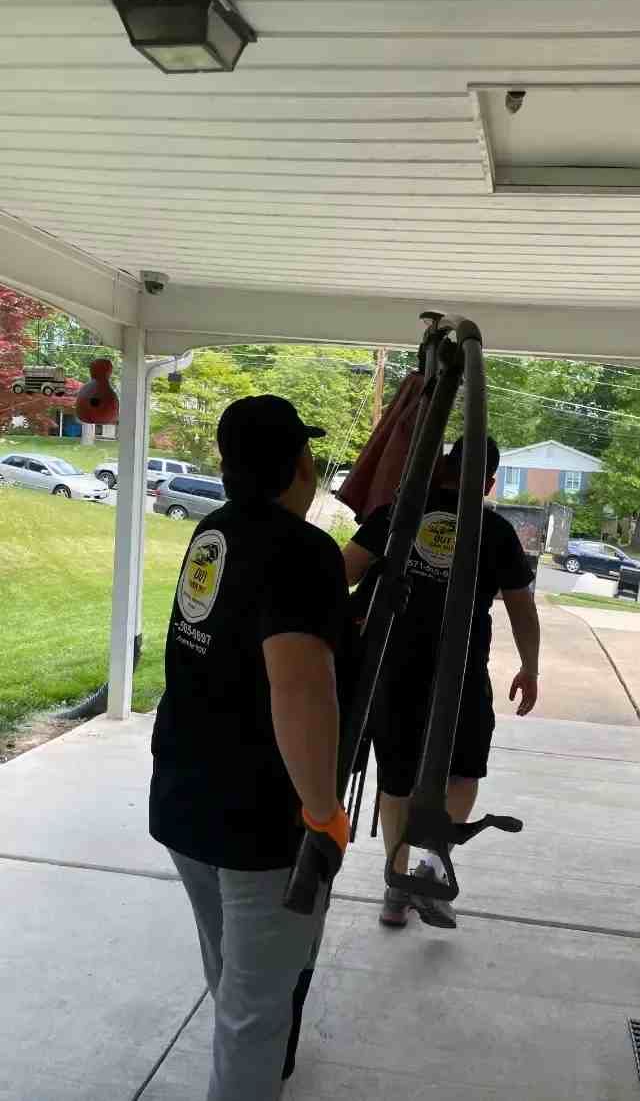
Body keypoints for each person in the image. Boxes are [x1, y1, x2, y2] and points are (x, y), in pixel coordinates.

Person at [149, 395, 350, 1101]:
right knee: (255, 1013)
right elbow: (298, 686)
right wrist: (323, 811)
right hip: (260, 822)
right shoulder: (304, 551)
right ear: (302, 463)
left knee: (234, 978)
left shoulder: (214, 530)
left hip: (184, 797)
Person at [342, 436, 540, 930]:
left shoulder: (397, 515)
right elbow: (522, 607)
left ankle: (398, 881)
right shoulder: (494, 530)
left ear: (442, 469)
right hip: (462, 675)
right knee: (463, 774)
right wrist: (530, 666)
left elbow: (341, 572)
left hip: (396, 668)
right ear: (489, 482)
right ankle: (431, 868)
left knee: (397, 779)